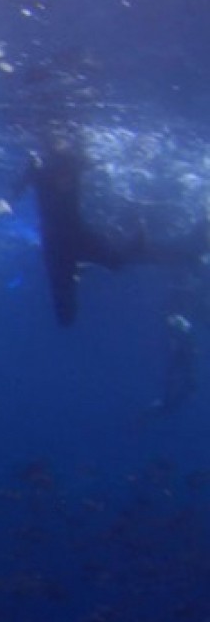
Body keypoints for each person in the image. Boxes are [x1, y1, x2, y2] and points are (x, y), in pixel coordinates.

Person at [17, 119, 209, 411]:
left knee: (111, 266)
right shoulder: (46, 166)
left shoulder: (55, 164)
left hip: (66, 239)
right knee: (102, 275)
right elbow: (19, 189)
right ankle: (156, 249)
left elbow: (20, 189)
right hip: (64, 240)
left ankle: (159, 249)